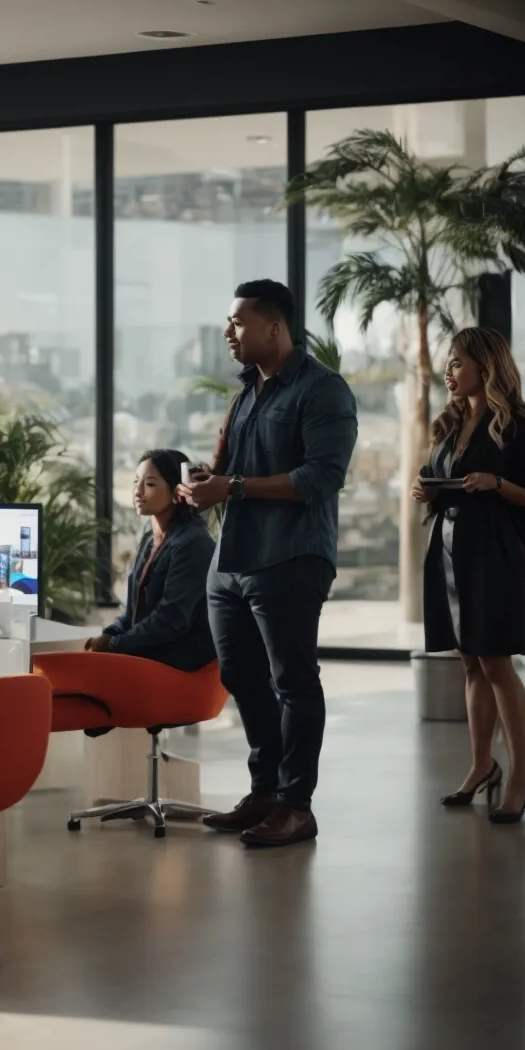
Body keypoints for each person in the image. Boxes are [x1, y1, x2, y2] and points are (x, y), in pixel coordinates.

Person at [180, 279, 358, 849]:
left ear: (274, 326)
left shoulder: (322, 391)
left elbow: (320, 479)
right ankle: (264, 791)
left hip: (291, 556)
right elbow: (229, 474)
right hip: (232, 559)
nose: (229, 332)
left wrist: (230, 485)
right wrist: (206, 483)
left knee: (293, 682)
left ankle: (296, 804)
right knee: (239, 677)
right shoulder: (245, 394)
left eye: (238, 322)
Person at [413, 327, 525, 824]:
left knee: (497, 665)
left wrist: (498, 483)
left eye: (458, 362)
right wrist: (429, 491)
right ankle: (481, 765)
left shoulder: (518, 427)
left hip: (492, 551)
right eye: (448, 362)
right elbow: (442, 482)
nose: (449, 371)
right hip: (447, 550)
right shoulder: (450, 423)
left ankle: (521, 775)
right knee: (470, 664)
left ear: (485, 368)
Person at [82, 449, 216, 671]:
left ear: (177, 492)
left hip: (177, 665)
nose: (137, 491)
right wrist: (110, 633)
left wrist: (115, 644)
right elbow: (133, 611)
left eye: (150, 484)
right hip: (147, 653)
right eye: (136, 481)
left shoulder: (193, 544)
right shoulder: (149, 535)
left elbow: (171, 620)